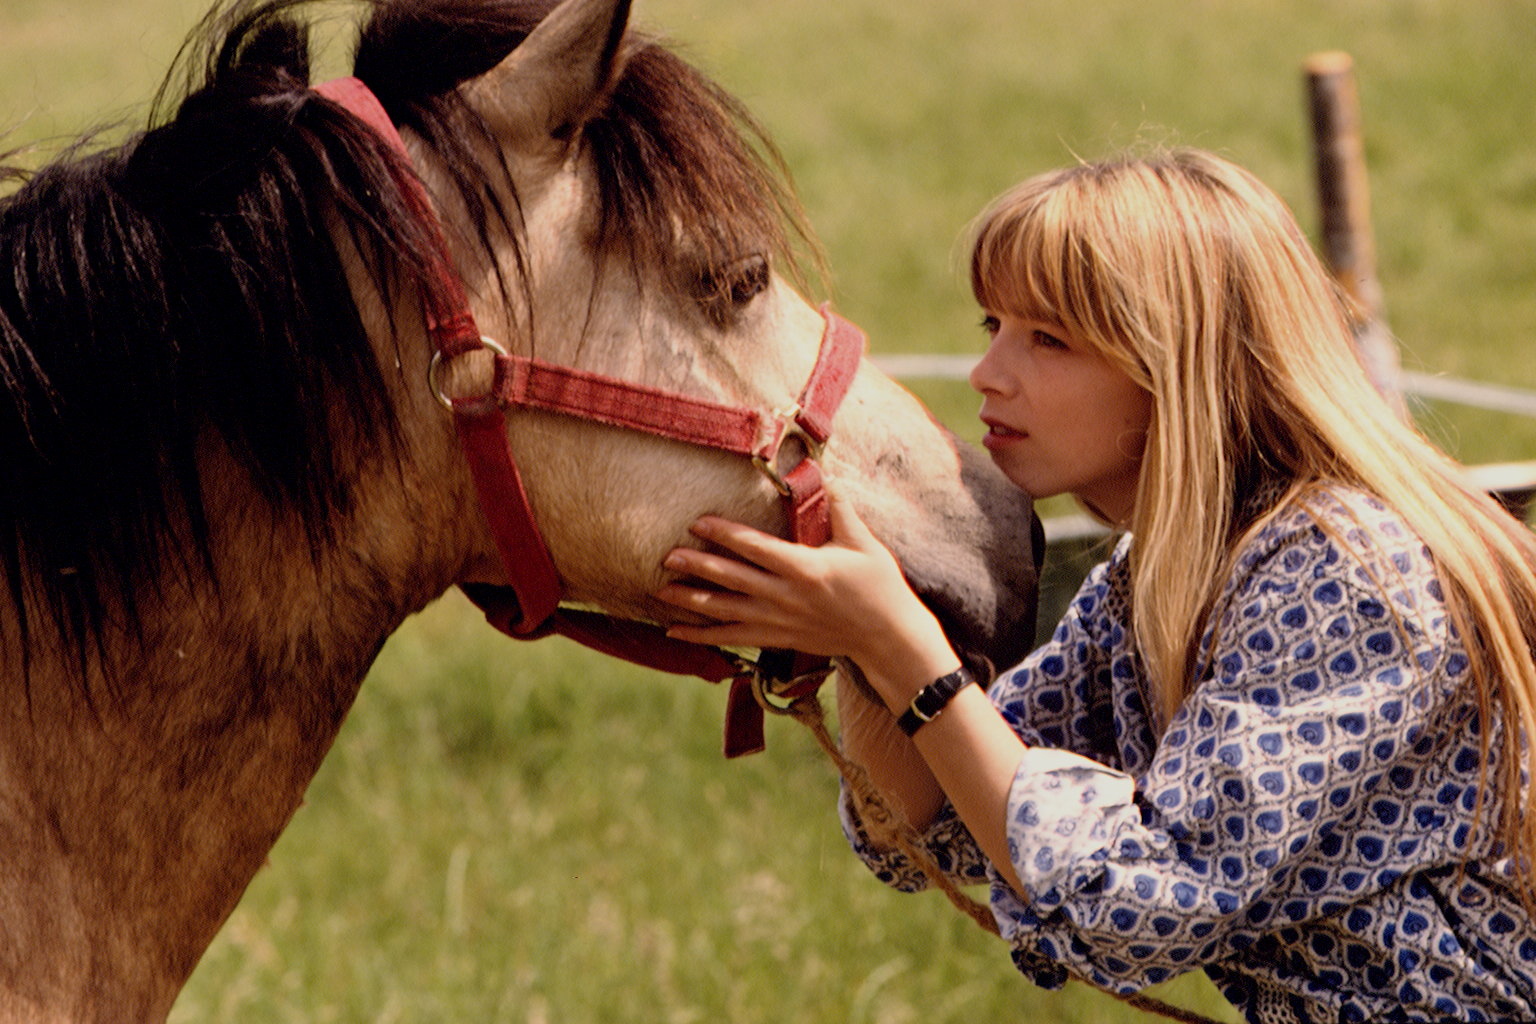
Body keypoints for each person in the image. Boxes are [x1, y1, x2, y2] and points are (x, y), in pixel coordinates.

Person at [654, 148, 1536, 1023]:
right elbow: (933, 822)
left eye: (1048, 339)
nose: (988, 373)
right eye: (990, 326)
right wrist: (866, 625)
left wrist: (900, 646)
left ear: (1179, 370)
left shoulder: (1341, 570)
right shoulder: (1153, 576)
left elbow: (1149, 902)